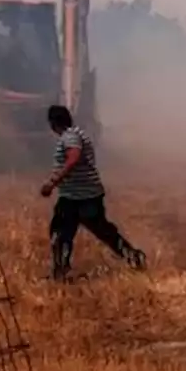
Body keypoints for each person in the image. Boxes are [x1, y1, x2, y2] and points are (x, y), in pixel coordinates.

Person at [40, 105, 146, 281]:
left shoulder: (70, 137)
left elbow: (73, 158)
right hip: (82, 195)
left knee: (60, 233)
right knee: (100, 232)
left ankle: (61, 272)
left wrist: (52, 182)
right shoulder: (76, 134)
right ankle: (133, 257)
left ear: (53, 123)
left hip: (79, 197)